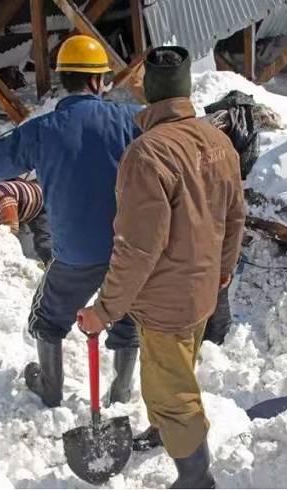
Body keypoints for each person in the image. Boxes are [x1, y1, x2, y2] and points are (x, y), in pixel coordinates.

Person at [0, 35, 143, 408]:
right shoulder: (128, 120)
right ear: (96, 81)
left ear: (66, 79)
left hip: (75, 253)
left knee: (47, 318)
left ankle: (50, 388)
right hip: (127, 248)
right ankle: (122, 393)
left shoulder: (44, 130)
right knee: (127, 316)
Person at [77, 46, 245, 489]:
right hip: (202, 288)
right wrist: (224, 270)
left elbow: (136, 248)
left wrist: (105, 310)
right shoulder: (218, 142)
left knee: (173, 393)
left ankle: (196, 478)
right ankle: (161, 429)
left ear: (148, 92)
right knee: (173, 370)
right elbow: (235, 216)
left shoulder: (147, 154)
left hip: (166, 301)